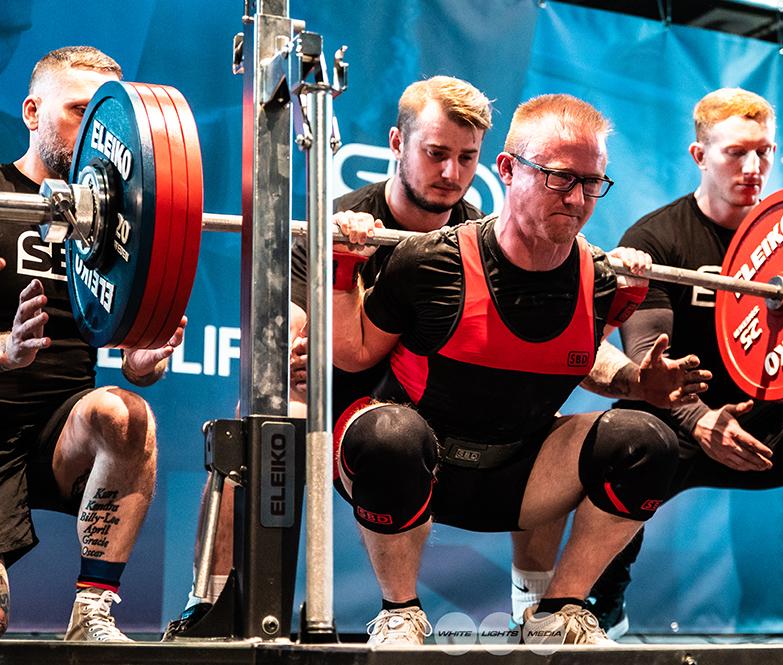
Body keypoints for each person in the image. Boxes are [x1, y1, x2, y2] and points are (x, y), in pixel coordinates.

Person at [331, 93, 711, 646]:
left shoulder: (601, 279)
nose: (579, 198)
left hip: (519, 479)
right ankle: (400, 613)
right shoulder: (430, 262)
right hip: (412, 467)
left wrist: (636, 381)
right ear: (508, 170)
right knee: (386, 431)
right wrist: (344, 270)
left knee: (647, 440)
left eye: (592, 182)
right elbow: (354, 354)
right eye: (560, 178)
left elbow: (575, 358)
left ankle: (559, 611)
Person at [163, 75, 505, 636]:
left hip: (435, 404)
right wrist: (312, 346)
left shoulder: (483, 237)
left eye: (468, 159)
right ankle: (223, 603)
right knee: (273, 411)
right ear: (397, 142)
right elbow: (297, 342)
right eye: (436, 154)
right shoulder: (330, 224)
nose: (452, 174)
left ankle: (534, 608)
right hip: (345, 401)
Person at [589, 87, 783, 640]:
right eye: (735, 152)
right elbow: (650, 357)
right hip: (685, 422)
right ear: (699, 156)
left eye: (763, 151)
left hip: (778, 417)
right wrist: (699, 420)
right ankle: (602, 605)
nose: (753, 167)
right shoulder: (655, 239)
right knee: (622, 438)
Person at [0, 46, 185, 642]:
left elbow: (134, 362)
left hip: (59, 430)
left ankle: (94, 610)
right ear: (32, 111)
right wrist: (5, 350)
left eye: (105, 118)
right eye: (80, 111)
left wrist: (143, 359)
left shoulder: (115, 220)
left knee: (125, 414)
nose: (94, 132)